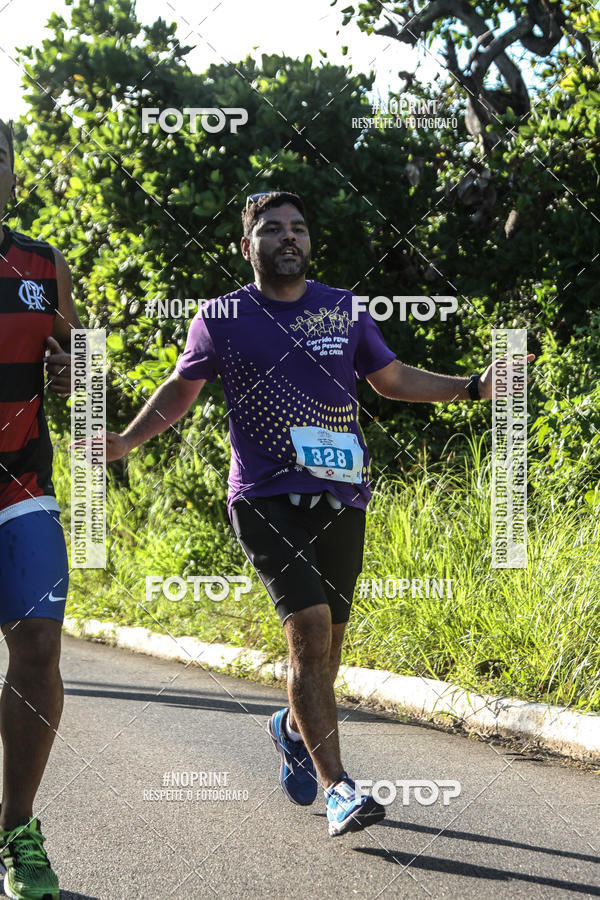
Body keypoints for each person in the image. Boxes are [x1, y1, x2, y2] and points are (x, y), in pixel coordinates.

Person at [105, 191, 532, 837]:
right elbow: (181, 389)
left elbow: (389, 378)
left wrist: (471, 387)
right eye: (271, 228)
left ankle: (287, 726)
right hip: (264, 496)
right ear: (245, 246)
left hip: (342, 496)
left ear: (309, 242)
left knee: (327, 649)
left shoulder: (342, 307)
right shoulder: (219, 317)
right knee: (306, 631)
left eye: (298, 228)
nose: (287, 237)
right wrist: (126, 440)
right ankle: (340, 789)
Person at [0, 119, 82, 898]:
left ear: (16, 177)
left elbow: (81, 353)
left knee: (36, 646)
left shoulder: (42, 262)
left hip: (21, 485)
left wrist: (72, 374)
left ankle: (16, 828)